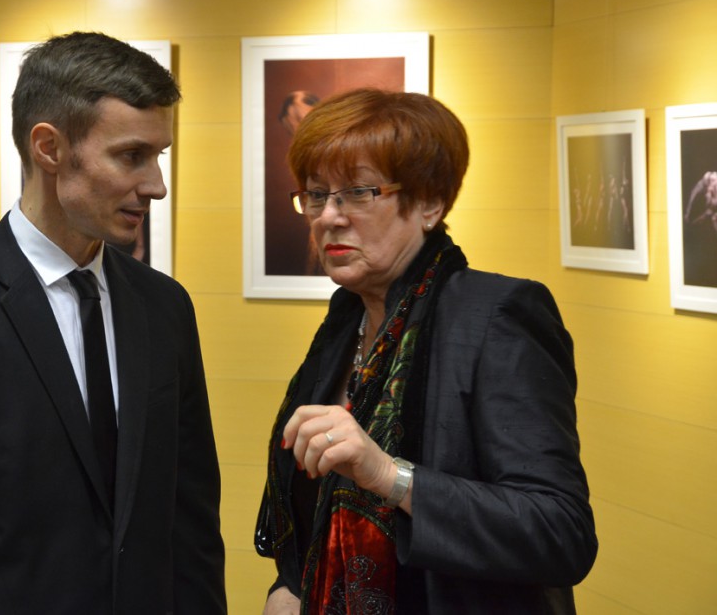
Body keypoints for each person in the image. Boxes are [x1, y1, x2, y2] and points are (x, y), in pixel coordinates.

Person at [0, 31, 226, 613]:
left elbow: (191, 524)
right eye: (132, 156)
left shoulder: (164, 306)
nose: (156, 185)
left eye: (159, 156)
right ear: (49, 148)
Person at [255, 89, 597, 614]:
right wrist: (291, 587)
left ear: (429, 204)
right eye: (317, 195)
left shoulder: (499, 315)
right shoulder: (346, 317)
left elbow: (559, 532)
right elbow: (313, 512)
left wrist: (387, 475)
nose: (329, 217)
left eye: (359, 193)